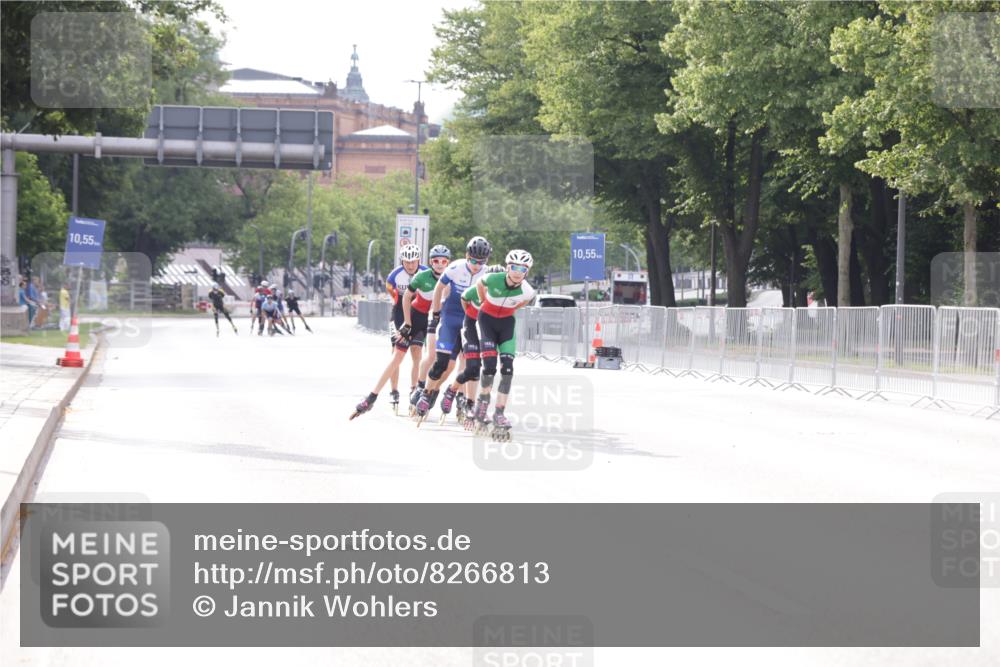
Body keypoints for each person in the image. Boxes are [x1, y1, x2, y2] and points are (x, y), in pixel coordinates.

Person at [350, 244, 451, 420]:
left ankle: (417, 390)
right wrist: (407, 323)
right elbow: (403, 298)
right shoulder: (417, 276)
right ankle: (373, 397)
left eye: (444, 261)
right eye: (436, 261)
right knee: (397, 356)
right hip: (412, 315)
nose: (440, 264)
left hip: (432, 318)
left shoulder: (448, 278)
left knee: (423, 355)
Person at [414, 236, 492, 421]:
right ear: (467, 256)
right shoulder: (455, 268)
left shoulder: (488, 274)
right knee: (441, 363)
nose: (476, 265)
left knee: (471, 364)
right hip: (450, 318)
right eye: (473, 261)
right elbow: (438, 288)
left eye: (481, 262)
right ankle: (426, 393)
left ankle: (464, 399)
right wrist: (436, 313)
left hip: (470, 321)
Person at [471, 250, 536, 440]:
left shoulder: (527, 290)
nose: (517, 272)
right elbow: (479, 284)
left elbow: (524, 302)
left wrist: (511, 309)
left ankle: (499, 412)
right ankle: (482, 405)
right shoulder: (493, 278)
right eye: (514, 267)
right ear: (507, 267)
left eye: (522, 269)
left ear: (527, 272)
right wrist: (483, 300)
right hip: (487, 321)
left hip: (506, 324)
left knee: (507, 369)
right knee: (490, 367)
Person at [384, 245, 428, 409]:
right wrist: (398, 298)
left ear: (419, 261)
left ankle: (414, 389)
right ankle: (394, 390)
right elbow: (389, 288)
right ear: (402, 261)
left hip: (418, 312)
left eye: (413, 262)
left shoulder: (425, 272)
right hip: (399, 313)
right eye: (407, 262)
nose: (410, 265)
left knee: (416, 352)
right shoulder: (394, 275)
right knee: (396, 353)